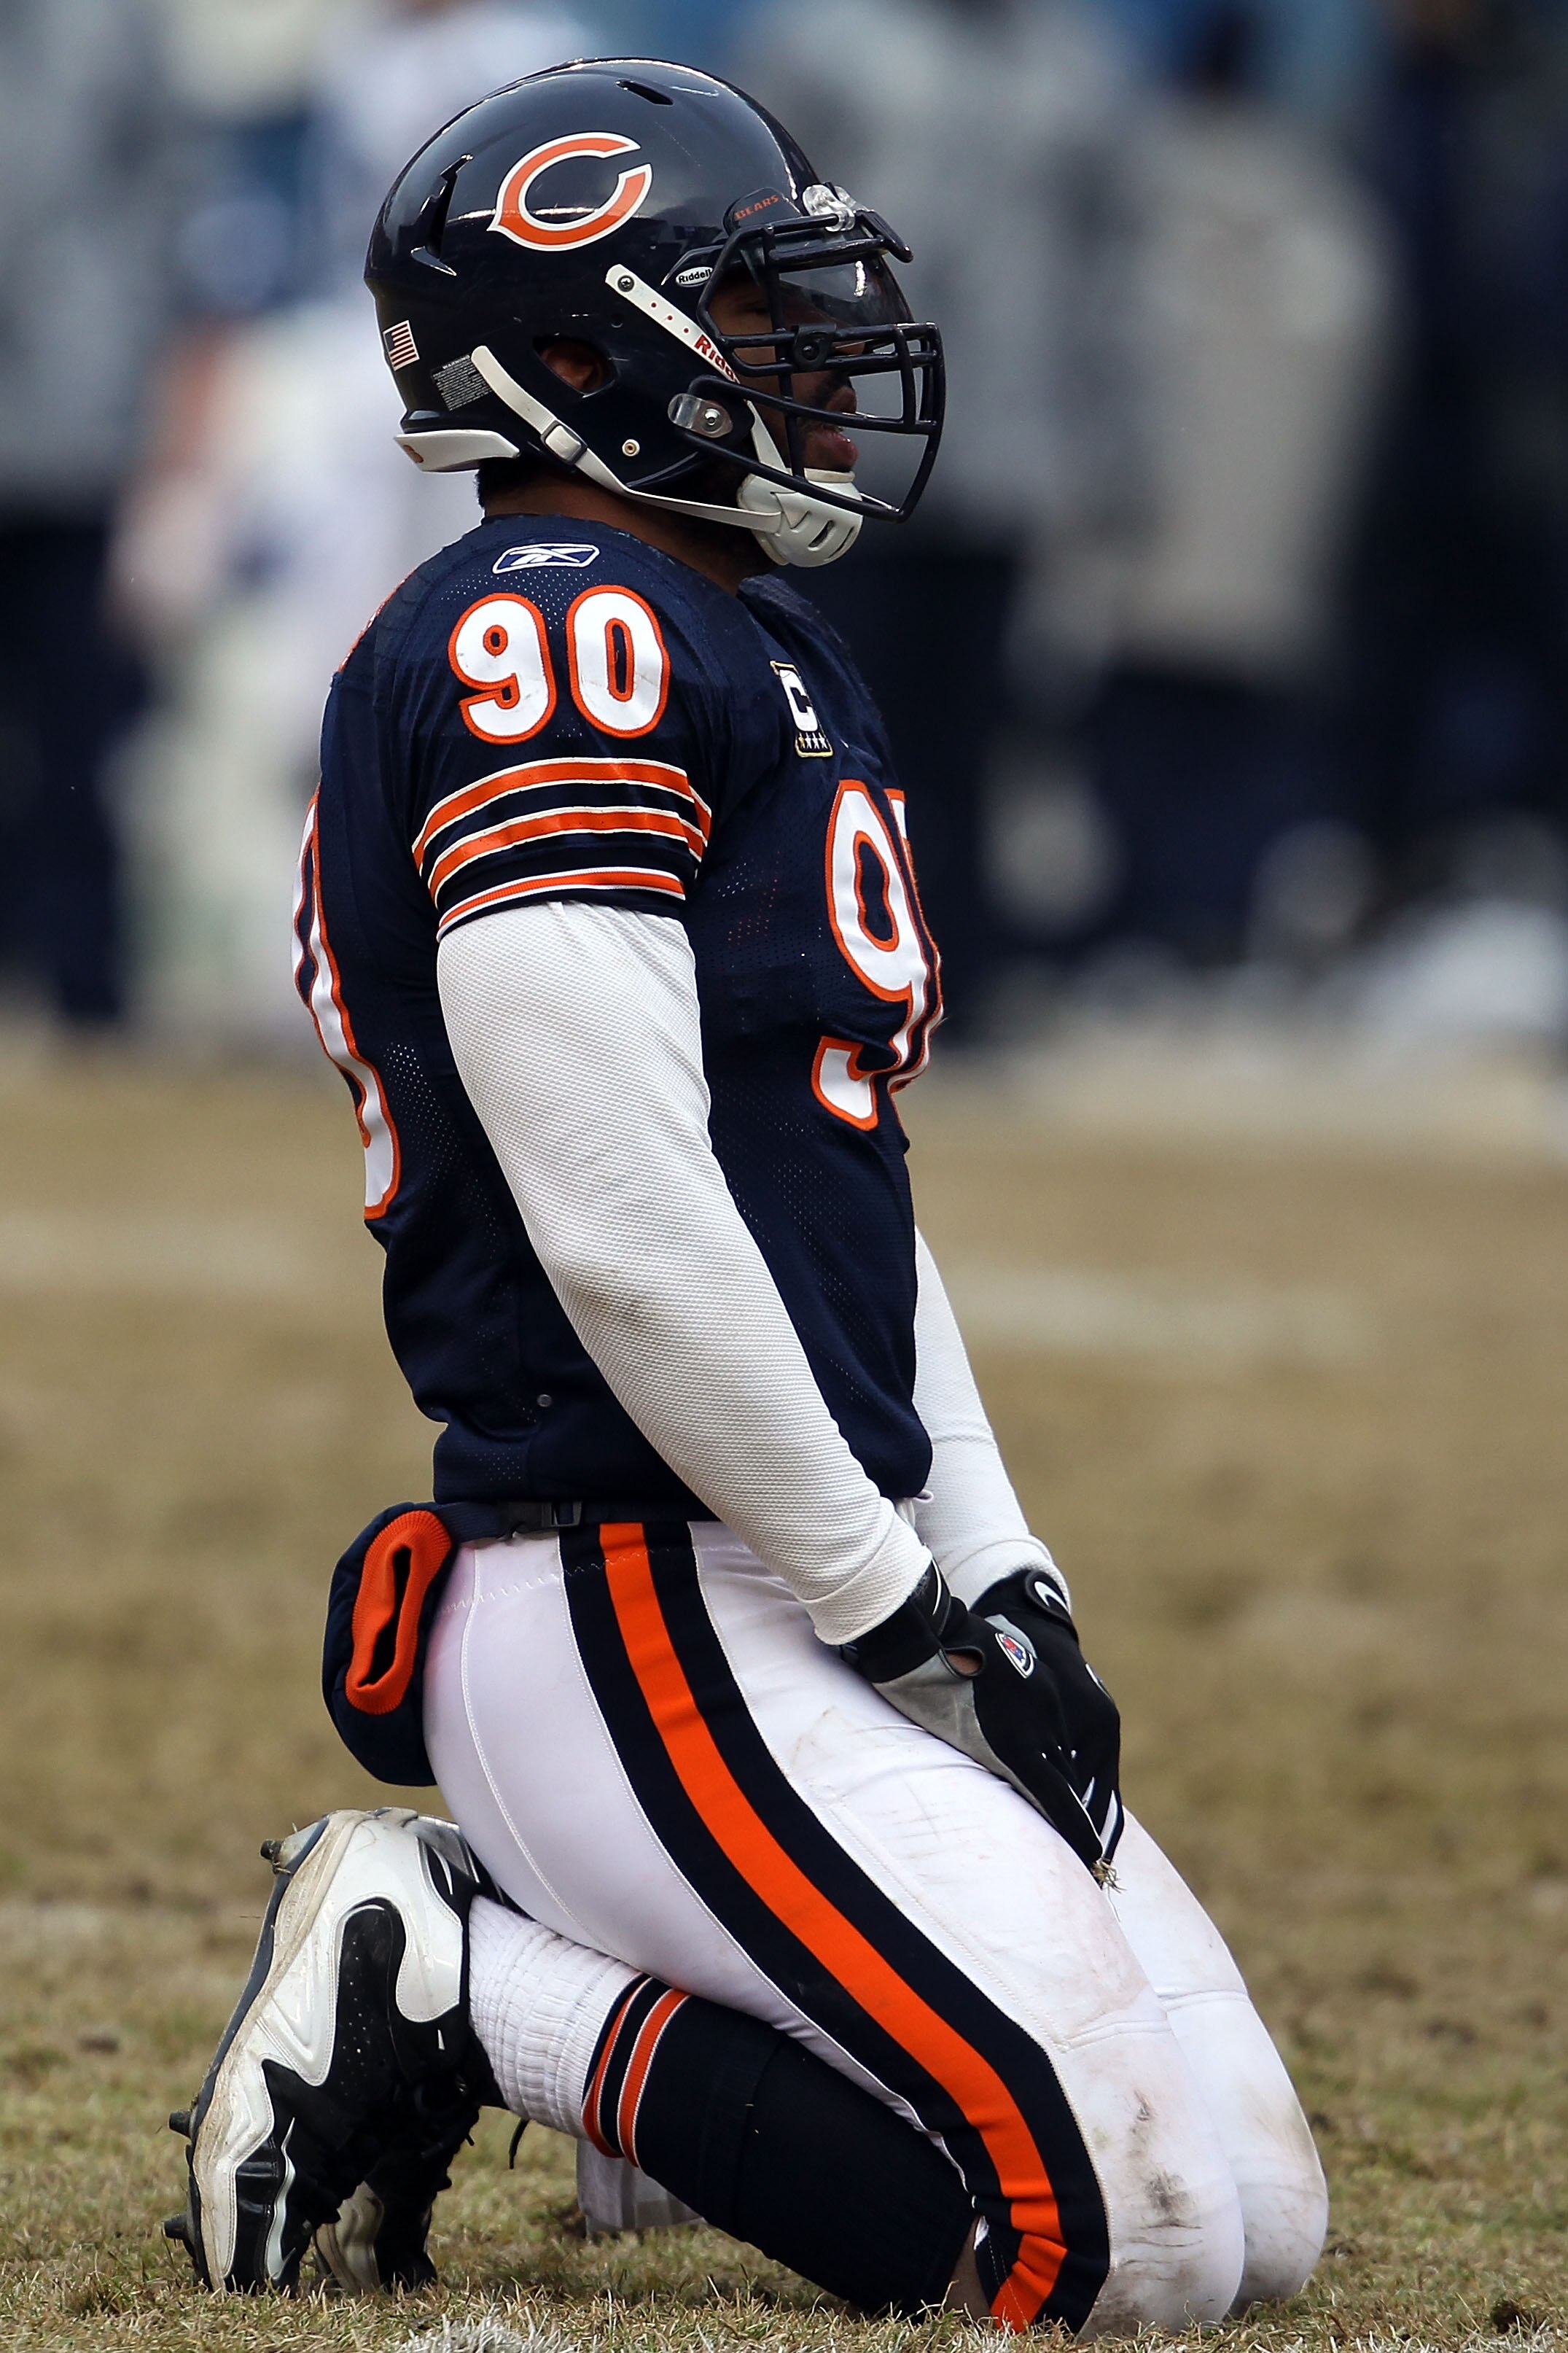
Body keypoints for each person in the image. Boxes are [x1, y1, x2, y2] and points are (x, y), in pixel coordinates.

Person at [165, 59, 1327, 2331]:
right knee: (1126, 2241)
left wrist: (1002, 1572)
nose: (823, 359)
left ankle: (652, 2014)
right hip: (630, 1581)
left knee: (1261, 2217)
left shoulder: (760, 644)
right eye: (764, 312)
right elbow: (620, 1223)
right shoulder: (547, 633)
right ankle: (467, 1978)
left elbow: (845, 1193)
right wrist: (895, 1604)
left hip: (794, 1551)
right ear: (586, 350)